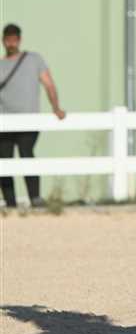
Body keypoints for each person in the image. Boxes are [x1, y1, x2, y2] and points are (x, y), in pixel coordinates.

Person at [0, 23, 66, 208]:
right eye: (8, 40)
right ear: (3, 41)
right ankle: (10, 203)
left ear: (19, 40)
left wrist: (56, 107)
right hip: (4, 121)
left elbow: (49, 84)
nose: (11, 43)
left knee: (26, 154)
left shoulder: (34, 60)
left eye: (14, 39)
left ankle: (35, 198)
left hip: (29, 120)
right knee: (4, 161)